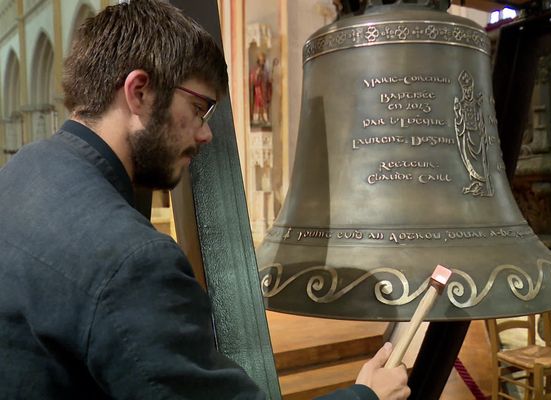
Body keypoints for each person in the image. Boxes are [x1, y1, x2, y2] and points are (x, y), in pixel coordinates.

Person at [0, 1, 410, 399]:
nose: (205, 134)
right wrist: (366, 396)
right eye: (198, 108)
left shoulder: (22, 171)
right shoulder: (133, 262)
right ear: (139, 92)